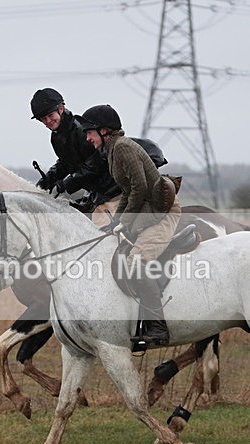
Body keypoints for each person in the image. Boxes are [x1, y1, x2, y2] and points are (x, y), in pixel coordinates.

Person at [76, 104, 181, 346]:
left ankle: (158, 328)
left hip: (162, 213)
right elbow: (127, 192)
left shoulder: (122, 148)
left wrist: (123, 222)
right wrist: (117, 223)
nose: (87, 137)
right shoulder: (112, 150)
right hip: (147, 210)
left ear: (103, 131)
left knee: (136, 262)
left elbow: (140, 188)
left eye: (89, 132)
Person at [29, 88, 121, 224]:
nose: (48, 121)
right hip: (95, 192)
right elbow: (65, 163)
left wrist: (66, 184)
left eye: (50, 115)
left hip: (112, 190)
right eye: (43, 119)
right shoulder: (56, 136)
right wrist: (47, 180)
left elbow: (95, 165)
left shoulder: (81, 130)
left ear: (61, 108)